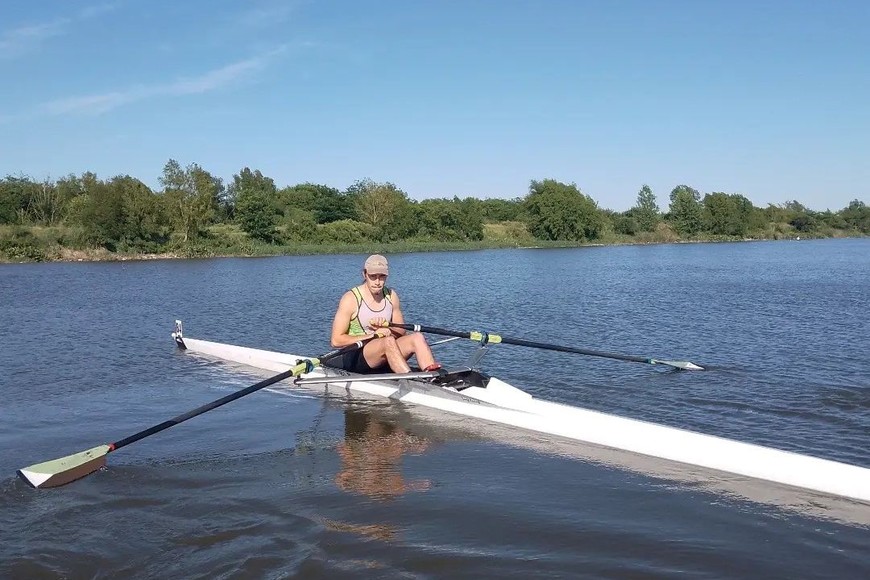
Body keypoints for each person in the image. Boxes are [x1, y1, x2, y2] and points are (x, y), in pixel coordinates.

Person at [328, 254, 440, 374]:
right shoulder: (350, 299)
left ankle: (433, 375)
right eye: (373, 276)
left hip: (384, 351)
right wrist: (374, 335)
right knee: (388, 341)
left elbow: (402, 332)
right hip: (356, 355)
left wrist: (387, 328)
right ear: (364, 274)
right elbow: (336, 340)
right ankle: (408, 378)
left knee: (417, 337)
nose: (377, 282)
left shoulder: (391, 296)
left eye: (382, 277)